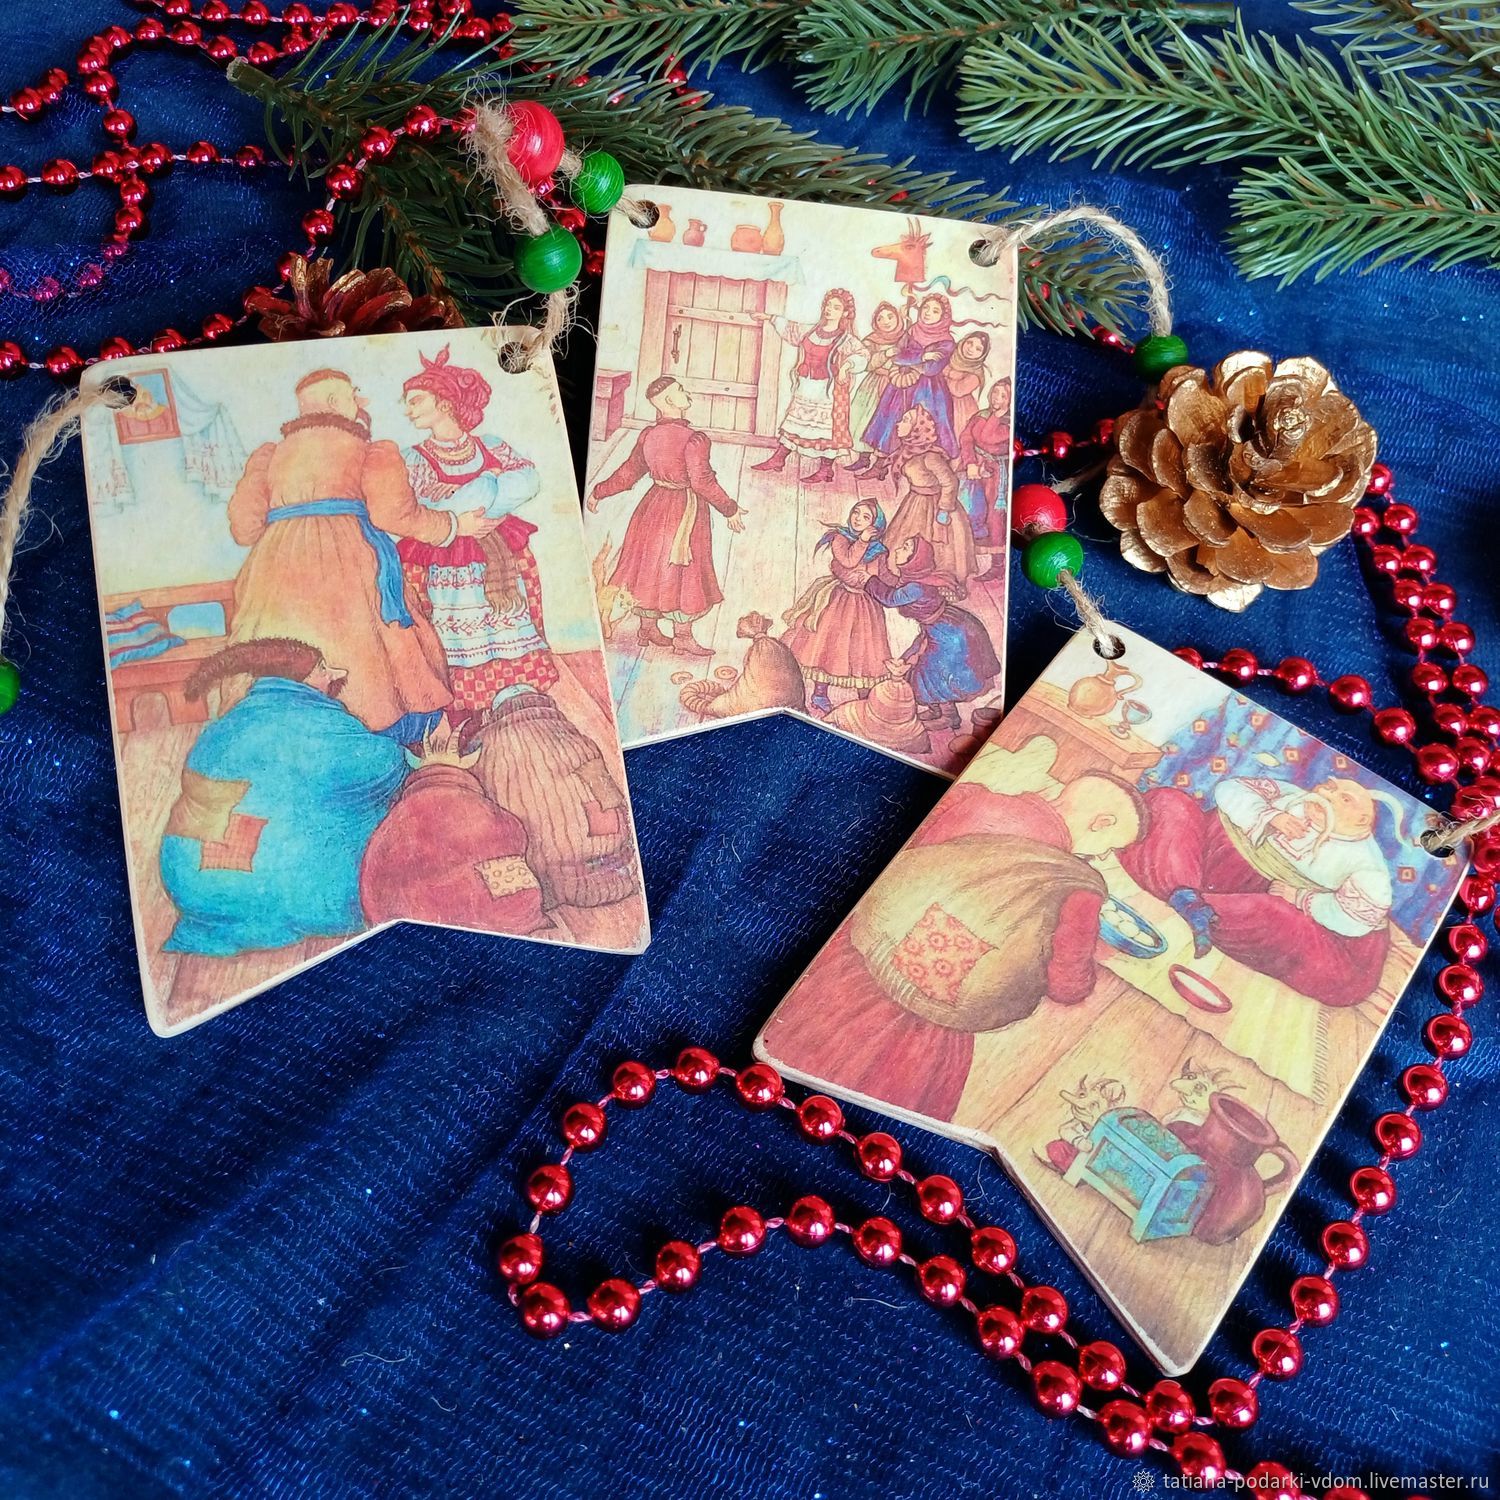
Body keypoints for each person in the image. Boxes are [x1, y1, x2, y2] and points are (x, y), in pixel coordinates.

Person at [759, 769, 1146, 1121]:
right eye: (1110, 846)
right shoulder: (1076, 887)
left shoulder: (968, 797)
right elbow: (1067, 986)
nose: (1102, 855)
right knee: (869, 1112)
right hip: (926, 1020)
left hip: (851, 959)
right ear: (1101, 823)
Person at [227, 367, 487, 741]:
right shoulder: (370, 451)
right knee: (374, 655)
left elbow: (244, 528)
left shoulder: (268, 456)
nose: (361, 402)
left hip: (274, 571)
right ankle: (387, 735)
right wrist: (453, 524)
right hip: (350, 560)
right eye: (354, 395)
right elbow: (393, 515)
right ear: (335, 402)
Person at [160, 638, 408, 962]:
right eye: (322, 669)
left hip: (195, 891)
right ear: (301, 681)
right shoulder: (323, 725)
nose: (336, 674)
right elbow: (387, 767)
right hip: (293, 891)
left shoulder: (226, 726)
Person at [1120, 774, 1396, 1005]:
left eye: (1343, 799)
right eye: (1328, 786)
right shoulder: (1290, 797)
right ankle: (1186, 898)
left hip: (1300, 928)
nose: (1326, 794)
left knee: (1272, 912)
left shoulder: (1367, 865)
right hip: (1205, 874)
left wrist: (1299, 897)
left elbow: (1352, 922)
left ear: (1361, 821)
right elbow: (1229, 788)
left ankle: (1195, 906)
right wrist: (1269, 816)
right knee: (1169, 802)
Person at [399, 346, 557, 721]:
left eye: (416, 401)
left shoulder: (491, 445)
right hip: (444, 554)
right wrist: (467, 504)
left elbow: (526, 481)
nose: (408, 410)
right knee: (453, 628)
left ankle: (512, 698)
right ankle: (464, 713)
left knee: (505, 623)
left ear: (445, 403)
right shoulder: (415, 457)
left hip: (498, 547)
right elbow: (419, 506)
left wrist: (493, 505)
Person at [588, 376, 746, 656]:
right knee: (684, 570)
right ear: (670, 400)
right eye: (681, 390)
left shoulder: (648, 435)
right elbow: (702, 481)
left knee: (649, 565)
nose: (687, 393)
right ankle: (681, 637)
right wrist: (729, 508)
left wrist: (599, 492)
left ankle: (646, 629)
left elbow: (629, 473)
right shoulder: (695, 440)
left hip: (652, 507)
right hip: (684, 510)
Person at [359, 718, 549, 938]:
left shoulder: (395, 819)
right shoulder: (478, 810)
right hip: (479, 930)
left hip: (401, 933)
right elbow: (514, 850)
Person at [866, 535, 999, 731]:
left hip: (949, 633)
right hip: (942, 626)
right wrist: (880, 567)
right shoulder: (916, 579)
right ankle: (936, 710)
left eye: (905, 548)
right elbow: (893, 582)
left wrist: (869, 581)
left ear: (914, 560)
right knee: (919, 665)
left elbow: (890, 598)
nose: (898, 549)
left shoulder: (916, 587)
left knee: (932, 670)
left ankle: (949, 716)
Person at [781, 498, 892, 713]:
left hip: (867, 605)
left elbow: (883, 576)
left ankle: (865, 696)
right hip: (840, 601)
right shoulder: (840, 538)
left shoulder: (879, 550)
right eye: (856, 513)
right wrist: (862, 543)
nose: (858, 519)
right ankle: (820, 692)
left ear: (875, 524)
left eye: (866, 517)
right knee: (829, 645)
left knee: (866, 650)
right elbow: (847, 562)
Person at [751, 289, 862, 483]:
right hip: (806, 385)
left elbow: (862, 355)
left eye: (836, 307)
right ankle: (778, 459)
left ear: (845, 313)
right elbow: (790, 329)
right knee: (795, 422)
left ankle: (826, 469)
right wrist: (769, 317)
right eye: (828, 305)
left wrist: (847, 366)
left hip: (828, 391)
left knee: (826, 429)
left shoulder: (845, 339)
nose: (830, 310)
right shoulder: (810, 331)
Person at [884, 406, 977, 590]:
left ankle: (941, 584)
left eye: (905, 421)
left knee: (938, 548)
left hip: (936, 506)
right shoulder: (909, 451)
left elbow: (950, 482)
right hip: (915, 501)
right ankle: (907, 576)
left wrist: (944, 509)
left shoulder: (931, 457)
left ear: (917, 428)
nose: (898, 424)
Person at [862, 292, 959, 459]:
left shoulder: (947, 341)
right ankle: (883, 461)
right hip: (902, 383)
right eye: (925, 308)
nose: (928, 313)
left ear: (943, 316)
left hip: (929, 390)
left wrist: (911, 360)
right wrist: (922, 357)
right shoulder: (912, 331)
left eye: (935, 311)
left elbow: (931, 369)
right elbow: (897, 356)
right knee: (891, 420)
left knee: (923, 424)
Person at [845, 301, 907, 479]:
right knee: (863, 420)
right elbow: (868, 364)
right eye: (880, 318)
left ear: (898, 318)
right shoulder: (872, 340)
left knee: (886, 425)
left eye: (890, 316)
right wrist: (884, 357)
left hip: (896, 387)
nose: (886, 321)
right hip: (873, 386)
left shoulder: (906, 338)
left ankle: (881, 465)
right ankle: (863, 458)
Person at [957, 378, 1013, 548]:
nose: (997, 397)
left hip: (995, 471)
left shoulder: (1008, 423)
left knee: (995, 511)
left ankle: (996, 553)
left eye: (1003, 396)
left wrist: (997, 416)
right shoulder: (981, 415)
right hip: (975, 465)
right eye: (995, 392)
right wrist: (970, 462)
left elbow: (987, 437)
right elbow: (966, 438)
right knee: (966, 503)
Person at [945, 330, 991, 442]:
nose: (971, 349)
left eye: (978, 349)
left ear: (982, 354)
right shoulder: (950, 356)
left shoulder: (976, 373)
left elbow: (958, 390)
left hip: (961, 410)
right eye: (970, 343)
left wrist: (946, 373)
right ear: (963, 341)